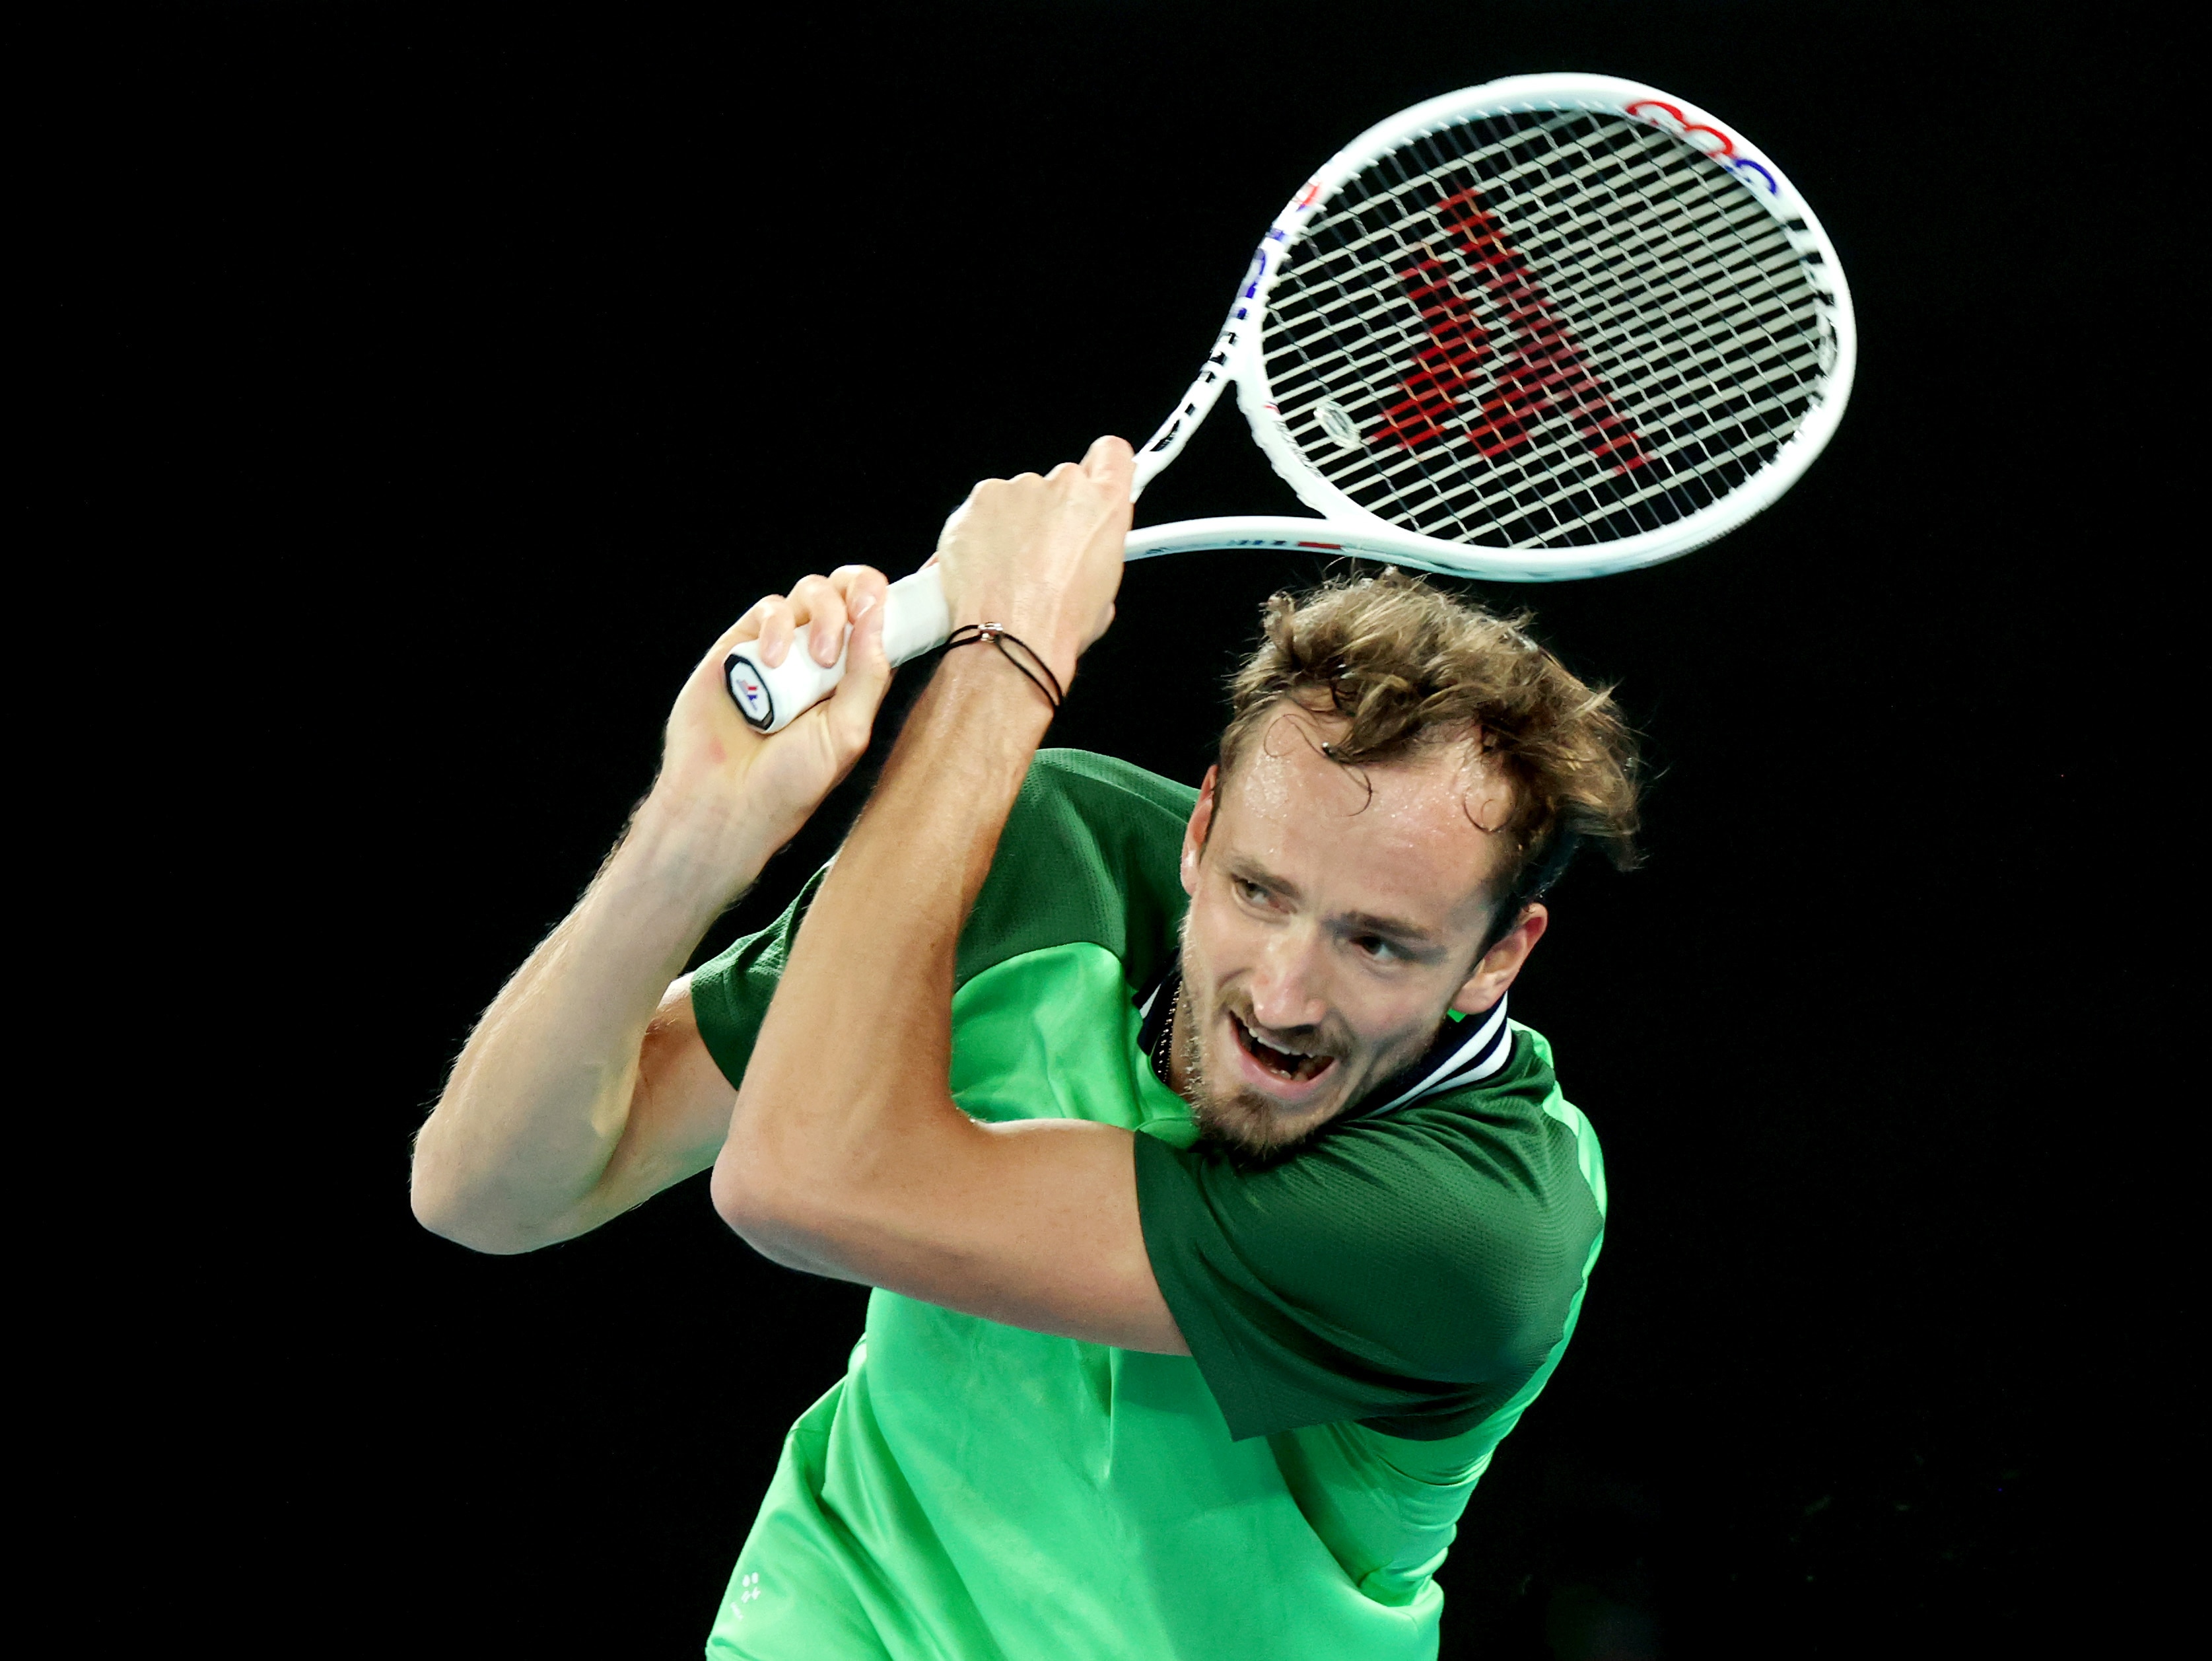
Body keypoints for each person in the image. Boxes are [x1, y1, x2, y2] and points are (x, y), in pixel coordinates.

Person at [411, 436, 1642, 1659]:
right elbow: (488, 1191)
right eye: (1259, 891)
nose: (1284, 991)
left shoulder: (1484, 1223)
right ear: (1202, 825)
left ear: (1500, 955)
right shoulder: (1042, 850)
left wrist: (1011, 654)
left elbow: (797, 1182)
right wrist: (697, 831)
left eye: (1377, 945)